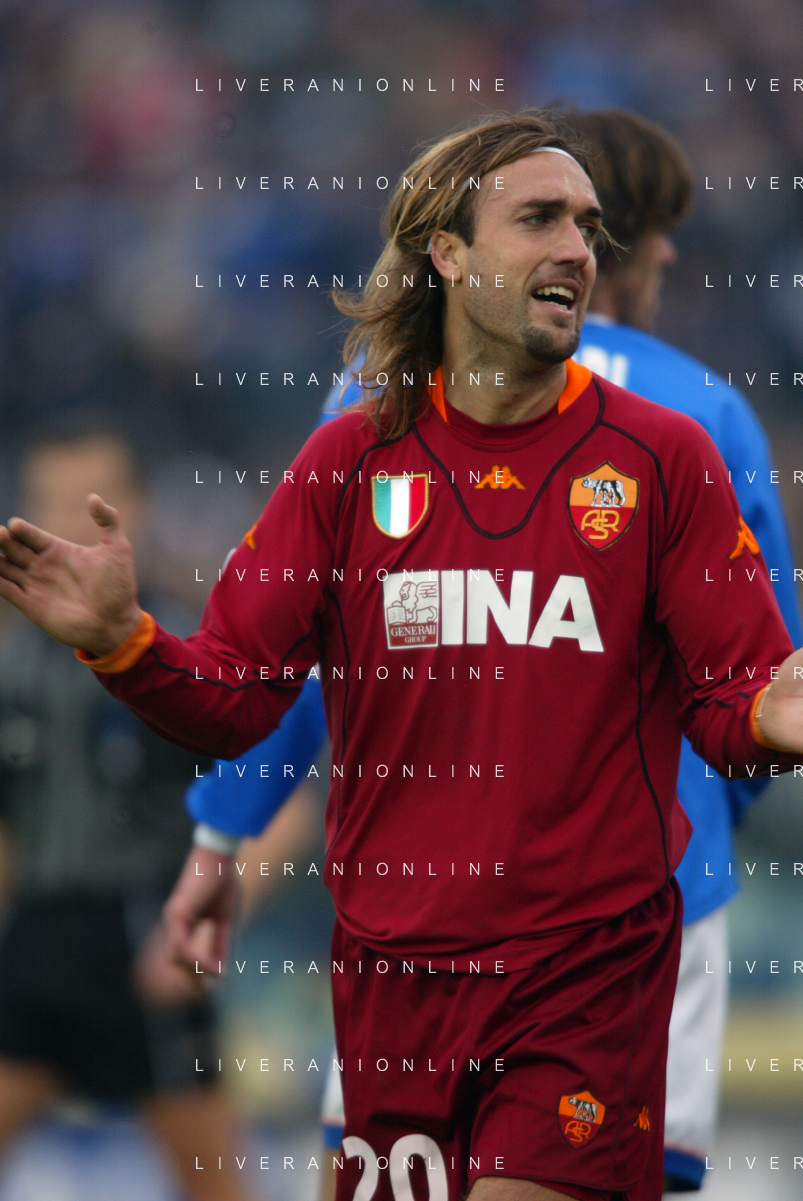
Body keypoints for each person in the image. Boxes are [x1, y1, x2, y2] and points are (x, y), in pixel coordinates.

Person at [2, 110, 803, 1201]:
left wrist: (767, 717)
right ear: (448, 253)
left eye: (586, 225)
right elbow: (237, 696)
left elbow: (728, 700)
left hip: (586, 977)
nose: (577, 247)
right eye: (539, 218)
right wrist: (126, 645)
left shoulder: (667, 455)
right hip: (392, 985)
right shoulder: (347, 460)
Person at [0, 424, 257, 1201]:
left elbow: (276, 803)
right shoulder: (10, 662)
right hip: (38, 934)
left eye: (91, 503)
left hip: (148, 935)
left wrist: (208, 920)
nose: (67, 525)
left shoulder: (192, 648)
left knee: (213, 1184)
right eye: (50, 503)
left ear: (135, 508)